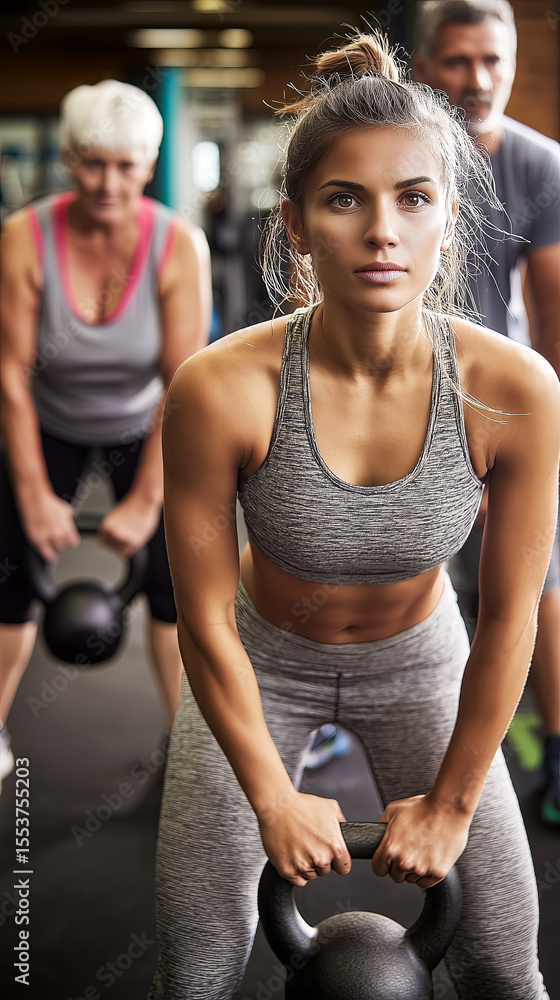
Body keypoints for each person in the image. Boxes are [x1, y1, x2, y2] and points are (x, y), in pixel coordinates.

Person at [149, 32, 558, 1000]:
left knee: (503, 957)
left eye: (412, 198)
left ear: (448, 220)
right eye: (345, 199)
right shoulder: (218, 389)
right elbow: (202, 619)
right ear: (294, 222)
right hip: (257, 660)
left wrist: (453, 802)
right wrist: (268, 795)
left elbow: (510, 617)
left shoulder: (515, 391)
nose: (382, 230)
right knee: (196, 963)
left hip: (420, 657)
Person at [0, 80, 212, 792]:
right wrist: (32, 493)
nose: (109, 182)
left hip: (147, 422)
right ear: (67, 159)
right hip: (49, 417)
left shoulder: (178, 245)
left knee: (173, 584)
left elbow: (184, 384)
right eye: (93, 162)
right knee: (6, 581)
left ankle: (187, 755)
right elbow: (7, 373)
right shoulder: (24, 239)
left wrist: (147, 499)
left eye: (126, 165)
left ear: (150, 163)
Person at [413, 0, 560, 827]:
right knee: (377, 559)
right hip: (395, 400)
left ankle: (557, 749)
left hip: (500, 405)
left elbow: (551, 328)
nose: (479, 79)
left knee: (537, 575)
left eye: (493, 61)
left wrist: (525, 455)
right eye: (460, 61)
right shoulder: (404, 152)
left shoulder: (538, 166)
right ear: (429, 65)